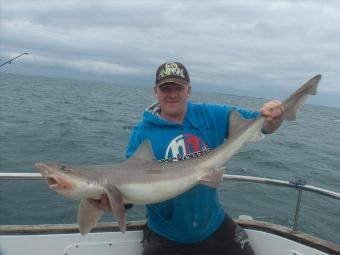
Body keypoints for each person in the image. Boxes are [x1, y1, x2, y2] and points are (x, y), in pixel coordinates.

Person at [89, 61, 284, 255]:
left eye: (178, 88)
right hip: (166, 234)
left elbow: (260, 124)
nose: (172, 94)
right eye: (166, 88)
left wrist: (273, 118)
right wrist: (118, 201)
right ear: (155, 91)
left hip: (213, 223)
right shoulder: (141, 133)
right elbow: (131, 184)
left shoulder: (211, 115)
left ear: (188, 90)